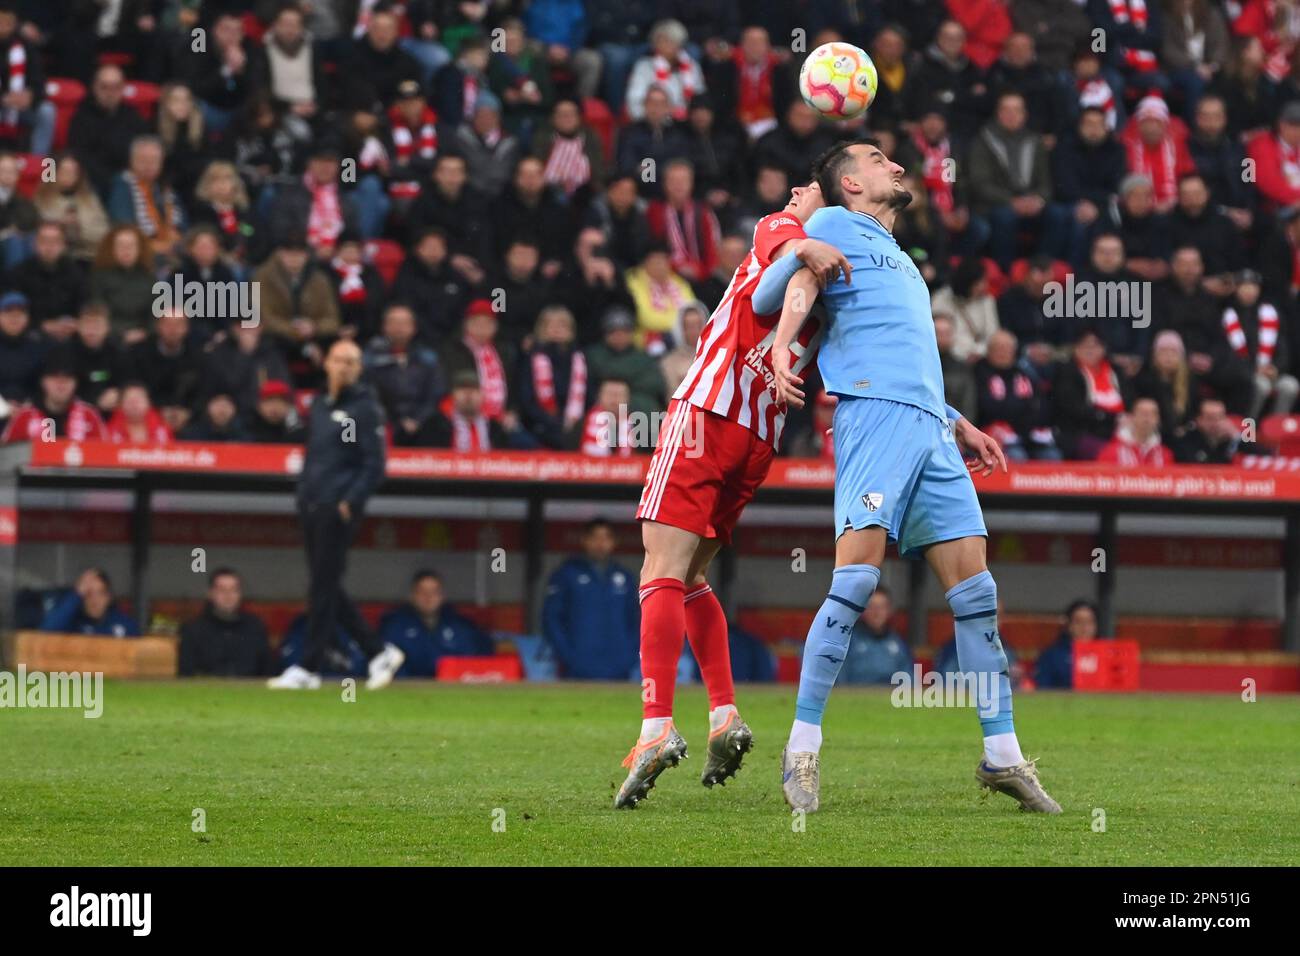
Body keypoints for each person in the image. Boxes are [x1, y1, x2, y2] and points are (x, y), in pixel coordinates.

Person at [760, 139, 1060, 814]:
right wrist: (784, 328)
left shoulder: (899, 256)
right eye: (877, 158)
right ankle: (802, 747)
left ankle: (1002, 756)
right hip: (873, 419)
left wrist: (956, 419)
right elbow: (770, 289)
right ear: (851, 184)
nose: (895, 165)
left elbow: (901, 349)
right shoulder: (834, 224)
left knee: (977, 597)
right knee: (858, 579)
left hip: (930, 426)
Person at [613, 177, 852, 809]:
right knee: (691, 575)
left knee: (658, 569)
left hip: (706, 413)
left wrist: (805, 237)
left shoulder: (781, 227)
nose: (797, 189)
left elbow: (786, 252)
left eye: (811, 188)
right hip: (759, 437)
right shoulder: (843, 286)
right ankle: (723, 713)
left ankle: (655, 726)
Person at [268, 340, 405, 691]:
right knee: (325, 585)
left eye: (352, 361)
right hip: (312, 503)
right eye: (339, 360)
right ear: (327, 363)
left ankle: (308, 667)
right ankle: (378, 652)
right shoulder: (318, 405)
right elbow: (314, 454)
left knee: (322, 586)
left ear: (360, 368)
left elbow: (375, 465)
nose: (345, 366)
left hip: (338, 507)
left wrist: (351, 500)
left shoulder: (365, 408)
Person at [543, 518, 640, 681]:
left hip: (620, 668)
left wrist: (629, 657)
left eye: (606, 538)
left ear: (613, 542)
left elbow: (637, 619)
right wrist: (569, 656)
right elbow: (551, 619)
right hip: (576, 668)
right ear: (585, 540)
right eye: (595, 538)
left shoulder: (625, 577)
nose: (600, 543)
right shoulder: (566, 574)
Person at [377, 570, 494, 678]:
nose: (428, 597)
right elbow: (388, 663)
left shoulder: (460, 626)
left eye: (434, 592)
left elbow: (472, 662)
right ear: (412, 596)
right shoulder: (395, 626)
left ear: (442, 596)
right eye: (422, 592)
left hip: (453, 689)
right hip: (409, 688)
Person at [178, 568, 273, 677]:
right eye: (222, 590)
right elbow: (186, 673)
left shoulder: (255, 627)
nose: (228, 595)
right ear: (210, 593)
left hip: (249, 691)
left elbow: (268, 671)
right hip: (208, 691)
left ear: (240, 594)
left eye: (234, 590)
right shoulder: (193, 630)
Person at [837, 587, 913, 686]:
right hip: (856, 698)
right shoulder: (847, 642)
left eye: (881, 607)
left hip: (891, 698)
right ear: (862, 610)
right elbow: (840, 682)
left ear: (889, 610)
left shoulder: (899, 643)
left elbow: (909, 681)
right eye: (871, 607)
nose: (876, 613)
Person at [39, 568, 140, 637]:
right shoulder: (73, 623)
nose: (95, 600)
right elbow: (45, 633)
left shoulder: (124, 624)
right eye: (89, 593)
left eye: (101, 593)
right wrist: (76, 593)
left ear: (109, 597)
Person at [1034, 599, 1100, 689]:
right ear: (1069, 625)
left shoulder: (1106, 655)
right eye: (1078, 622)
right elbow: (1042, 688)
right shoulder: (1052, 656)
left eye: (1089, 622)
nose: (1084, 628)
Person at [1097, 396, 1174, 467]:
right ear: (1131, 417)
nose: (1147, 418)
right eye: (1142, 413)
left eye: (1152, 414)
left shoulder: (1165, 455)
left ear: (1158, 419)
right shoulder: (1111, 452)